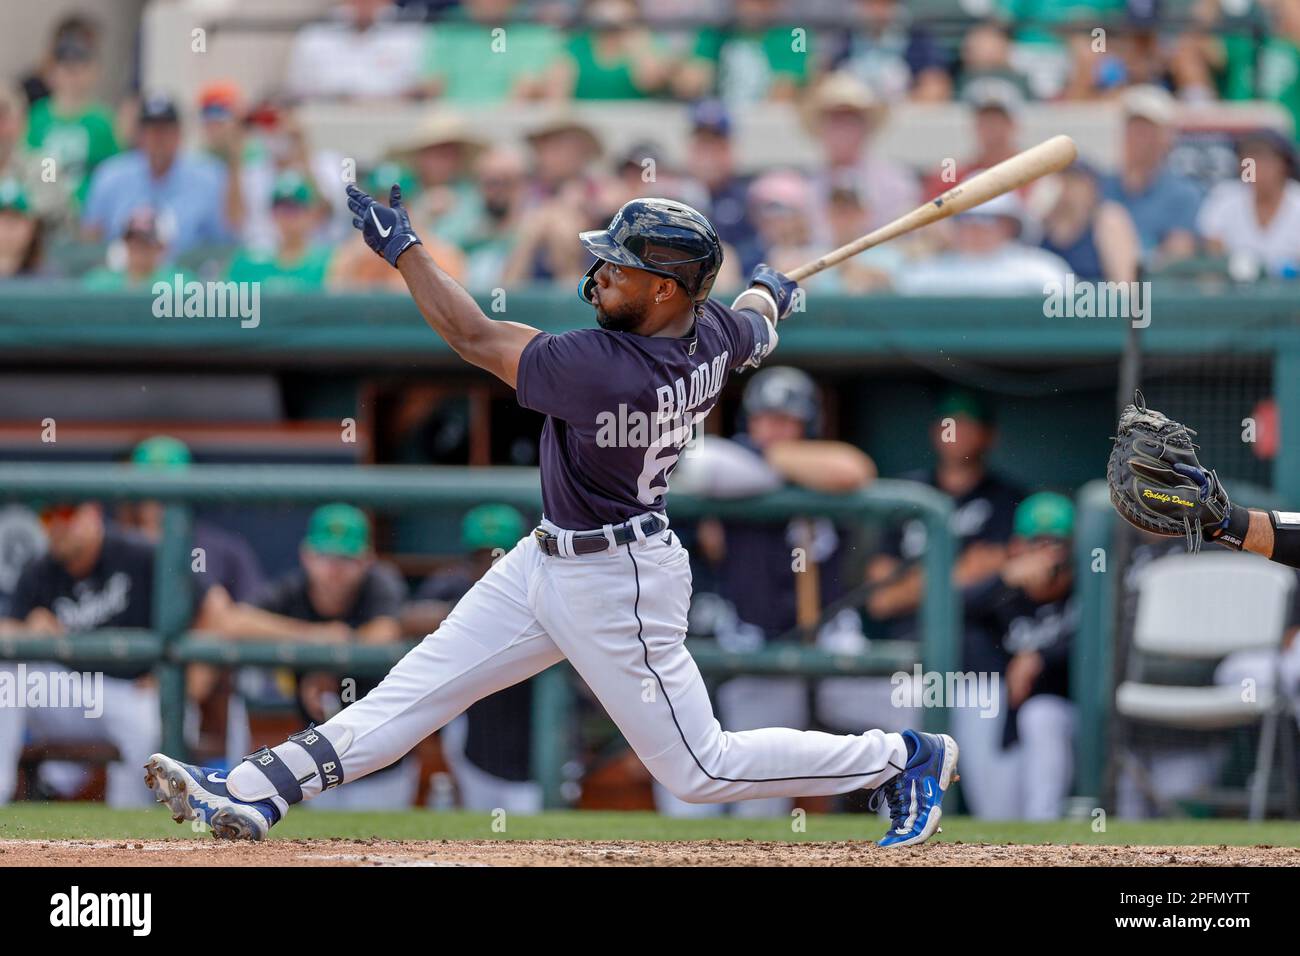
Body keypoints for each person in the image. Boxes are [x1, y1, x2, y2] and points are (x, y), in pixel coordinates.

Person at [142, 186, 958, 848]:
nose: (599, 272)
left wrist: (404, 251)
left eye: (620, 266)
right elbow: (749, 327)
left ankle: (900, 757)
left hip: (619, 580)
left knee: (698, 769)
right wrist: (768, 299)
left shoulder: (604, 366)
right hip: (547, 560)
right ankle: (255, 790)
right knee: (413, 692)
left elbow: (469, 333)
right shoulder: (710, 334)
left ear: (667, 288)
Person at [663, 366, 894, 819]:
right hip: (758, 647)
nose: (775, 429)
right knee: (760, 799)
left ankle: (912, 827)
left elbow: (854, 471)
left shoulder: (817, 466)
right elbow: (696, 467)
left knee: (906, 720)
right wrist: (781, 467)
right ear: (750, 420)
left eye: (787, 420)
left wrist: (781, 465)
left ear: (808, 424)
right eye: (767, 418)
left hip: (830, 643)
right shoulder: (730, 462)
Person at [242, 504, 414, 809]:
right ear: (306, 555)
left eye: (346, 558)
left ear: (366, 560)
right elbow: (234, 620)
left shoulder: (380, 583)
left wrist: (327, 666)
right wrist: (313, 637)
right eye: (324, 556)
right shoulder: (293, 590)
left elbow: (384, 631)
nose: (334, 569)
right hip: (319, 762)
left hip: (383, 761)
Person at [401, 504, 545, 812]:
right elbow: (410, 618)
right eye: (481, 558)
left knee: (540, 838)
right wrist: (482, 615)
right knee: (485, 838)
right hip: (478, 748)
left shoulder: (545, 583)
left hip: (538, 748)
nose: (491, 566)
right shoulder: (460, 586)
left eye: (499, 556)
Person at [866, 389, 1024, 643]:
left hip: (980, 645)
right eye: (949, 422)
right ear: (935, 431)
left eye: (968, 423)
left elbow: (997, 574)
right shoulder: (907, 494)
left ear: (989, 435)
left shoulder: (1006, 498)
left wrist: (909, 583)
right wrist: (962, 572)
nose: (957, 431)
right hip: (908, 644)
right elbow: (881, 599)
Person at [959, 492, 1077, 820]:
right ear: (1015, 548)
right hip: (1008, 723)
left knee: (1042, 715)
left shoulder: (1088, 587)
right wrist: (1002, 578)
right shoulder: (1003, 593)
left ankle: (1046, 829)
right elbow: (947, 610)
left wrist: (1041, 655)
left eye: (1055, 544)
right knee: (999, 819)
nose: (1044, 555)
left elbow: (1106, 634)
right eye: (1034, 543)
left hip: (1075, 718)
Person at [81, 96, 232, 258]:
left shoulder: (209, 177)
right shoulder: (110, 176)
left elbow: (225, 241)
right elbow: (91, 241)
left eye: (166, 130)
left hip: (185, 279)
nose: (158, 138)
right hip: (121, 279)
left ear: (179, 134)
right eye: (152, 130)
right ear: (139, 135)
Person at [1100, 85, 1201, 269]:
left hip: (1152, 291)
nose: (1138, 138)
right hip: (1097, 288)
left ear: (1165, 137)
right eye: (1133, 128)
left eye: (1147, 130)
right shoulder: (1100, 185)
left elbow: (1177, 257)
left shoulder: (1182, 194)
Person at [894, 192, 1070, 295]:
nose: (974, 227)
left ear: (1009, 226)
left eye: (987, 220)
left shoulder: (1041, 269)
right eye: (966, 218)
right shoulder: (926, 273)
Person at [22, 30, 118, 212]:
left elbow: (111, 172)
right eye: (66, 68)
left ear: (93, 72)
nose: (73, 77)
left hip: (87, 213)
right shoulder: (38, 117)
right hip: (45, 211)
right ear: (52, 73)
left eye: (79, 69)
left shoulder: (101, 121)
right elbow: (28, 163)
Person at [1197, 129, 1300, 278]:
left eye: (1265, 159)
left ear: (1284, 165)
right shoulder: (1224, 198)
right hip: (1235, 295)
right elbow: (1213, 260)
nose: (1256, 167)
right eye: (1249, 159)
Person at [285, 0, 425, 102]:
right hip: (325, 128)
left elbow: (423, 93)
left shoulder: (415, 35)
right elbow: (297, 93)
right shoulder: (314, 35)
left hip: (397, 131)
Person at [81, 208, 172, 291]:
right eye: (132, 241)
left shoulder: (175, 283)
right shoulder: (100, 281)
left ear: (159, 247)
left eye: (144, 243)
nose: (137, 247)